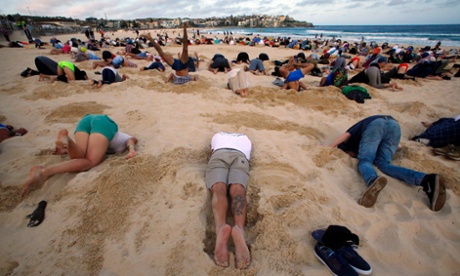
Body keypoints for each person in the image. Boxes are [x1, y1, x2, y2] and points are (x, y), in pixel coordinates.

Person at [329, 115, 446, 211]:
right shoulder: (367, 130)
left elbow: (346, 135)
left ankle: (372, 180)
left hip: (376, 125)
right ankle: (426, 179)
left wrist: (330, 147)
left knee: (365, 160)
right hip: (394, 126)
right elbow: (398, 146)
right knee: (383, 164)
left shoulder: (355, 133)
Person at [20, 114, 138, 197]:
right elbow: (132, 139)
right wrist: (131, 150)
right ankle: (44, 172)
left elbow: (91, 147)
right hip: (104, 123)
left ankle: (67, 140)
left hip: (86, 120)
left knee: (79, 157)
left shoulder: (103, 143)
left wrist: (66, 151)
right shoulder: (124, 137)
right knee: (91, 161)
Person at [205, 132, 252, 269]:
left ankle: (221, 227)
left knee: (218, 188)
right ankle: (239, 228)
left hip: (218, 155)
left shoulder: (217, 135)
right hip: (240, 156)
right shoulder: (245, 138)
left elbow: (212, 149)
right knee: (238, 189)